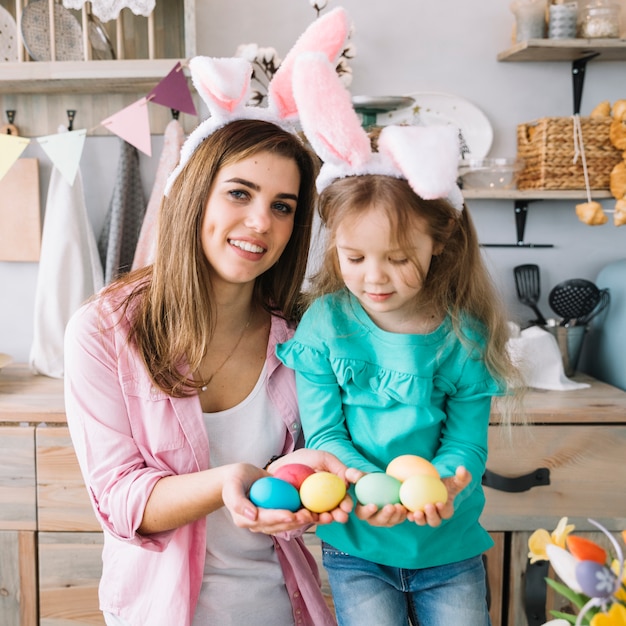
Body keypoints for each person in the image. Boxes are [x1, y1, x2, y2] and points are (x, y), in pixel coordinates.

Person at [63, 19, 355, 624]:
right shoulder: (105, 332)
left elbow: (316, 458)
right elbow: (120, 501)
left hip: (282, 607)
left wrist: (305, 484)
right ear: (196, 195)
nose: (260, 223)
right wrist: (229, 482)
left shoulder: (305, 334)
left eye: (283, 207)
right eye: (240, 194)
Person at [276, 53, 523, 626]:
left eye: (398, 258)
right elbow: (326, 432)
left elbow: (467, 446)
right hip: (357, 547)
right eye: (354, 256)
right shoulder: (325, 327)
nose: (373, 277)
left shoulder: (461, 337)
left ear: (440, 244)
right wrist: (365, 485)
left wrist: (439, 484)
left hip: (448, 545)